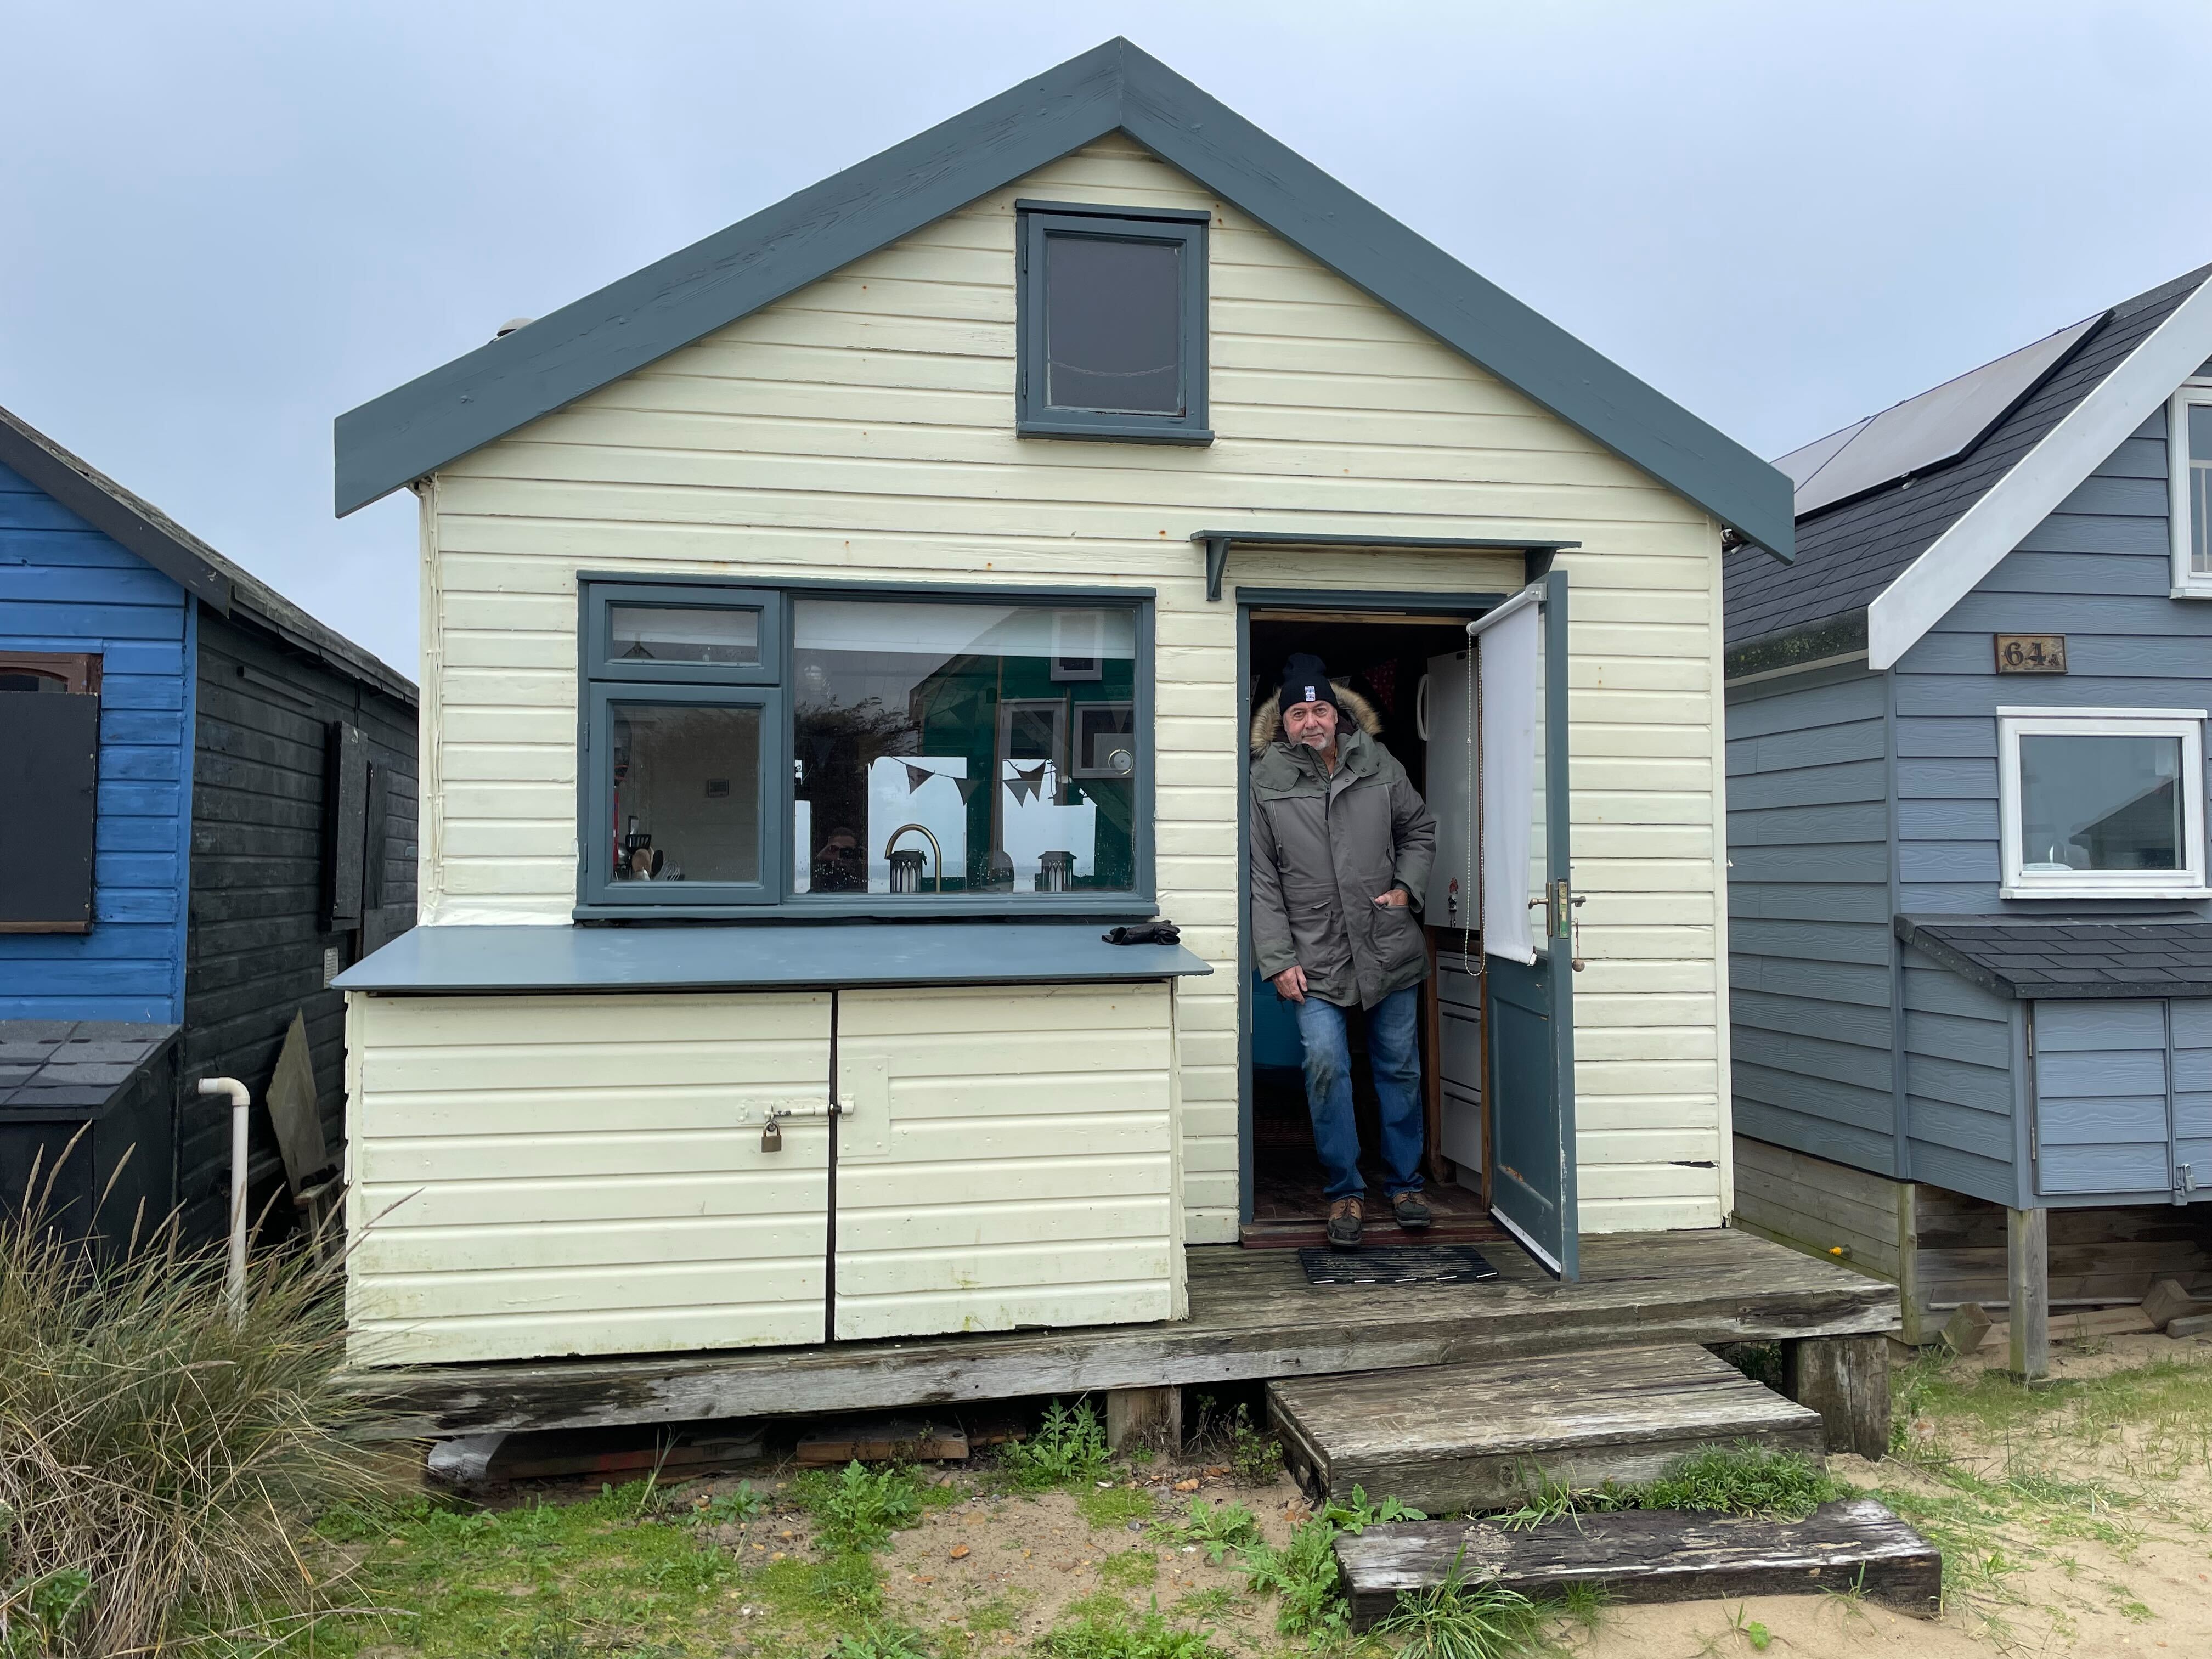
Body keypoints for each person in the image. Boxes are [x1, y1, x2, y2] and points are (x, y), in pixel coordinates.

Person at [1249, 653, 1437, 1249]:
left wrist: (1407, 889)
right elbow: (1260, 879)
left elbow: (1419, 830)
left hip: (1387, 945)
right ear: (1283, 723)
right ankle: (1345, 1191)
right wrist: (1278, 960)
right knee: (1327, 1066)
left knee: (1398, 1068)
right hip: (1314, 952)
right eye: (1298, 712)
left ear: (1338, 714)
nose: (1311, 722)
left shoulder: (1380, 765)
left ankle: (1406, 1184)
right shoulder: (1264, 782)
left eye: (1320, 709)